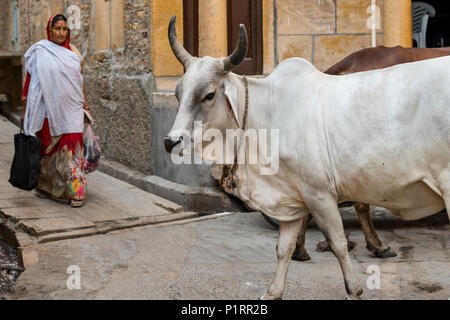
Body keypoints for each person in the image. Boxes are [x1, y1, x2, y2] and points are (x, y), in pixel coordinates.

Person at [21, 14, 92, 207]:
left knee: (72, 148)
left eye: (64, 29)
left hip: (71, 109)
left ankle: (76, 191)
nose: (61, 33)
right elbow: (30, 82)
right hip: (47, 110)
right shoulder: (40, 51)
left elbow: (80, 81)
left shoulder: (73, 52)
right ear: (50, 29)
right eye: (57, 28)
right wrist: (25, 109)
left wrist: (85, 104)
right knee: (47, 149)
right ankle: (46, 187)